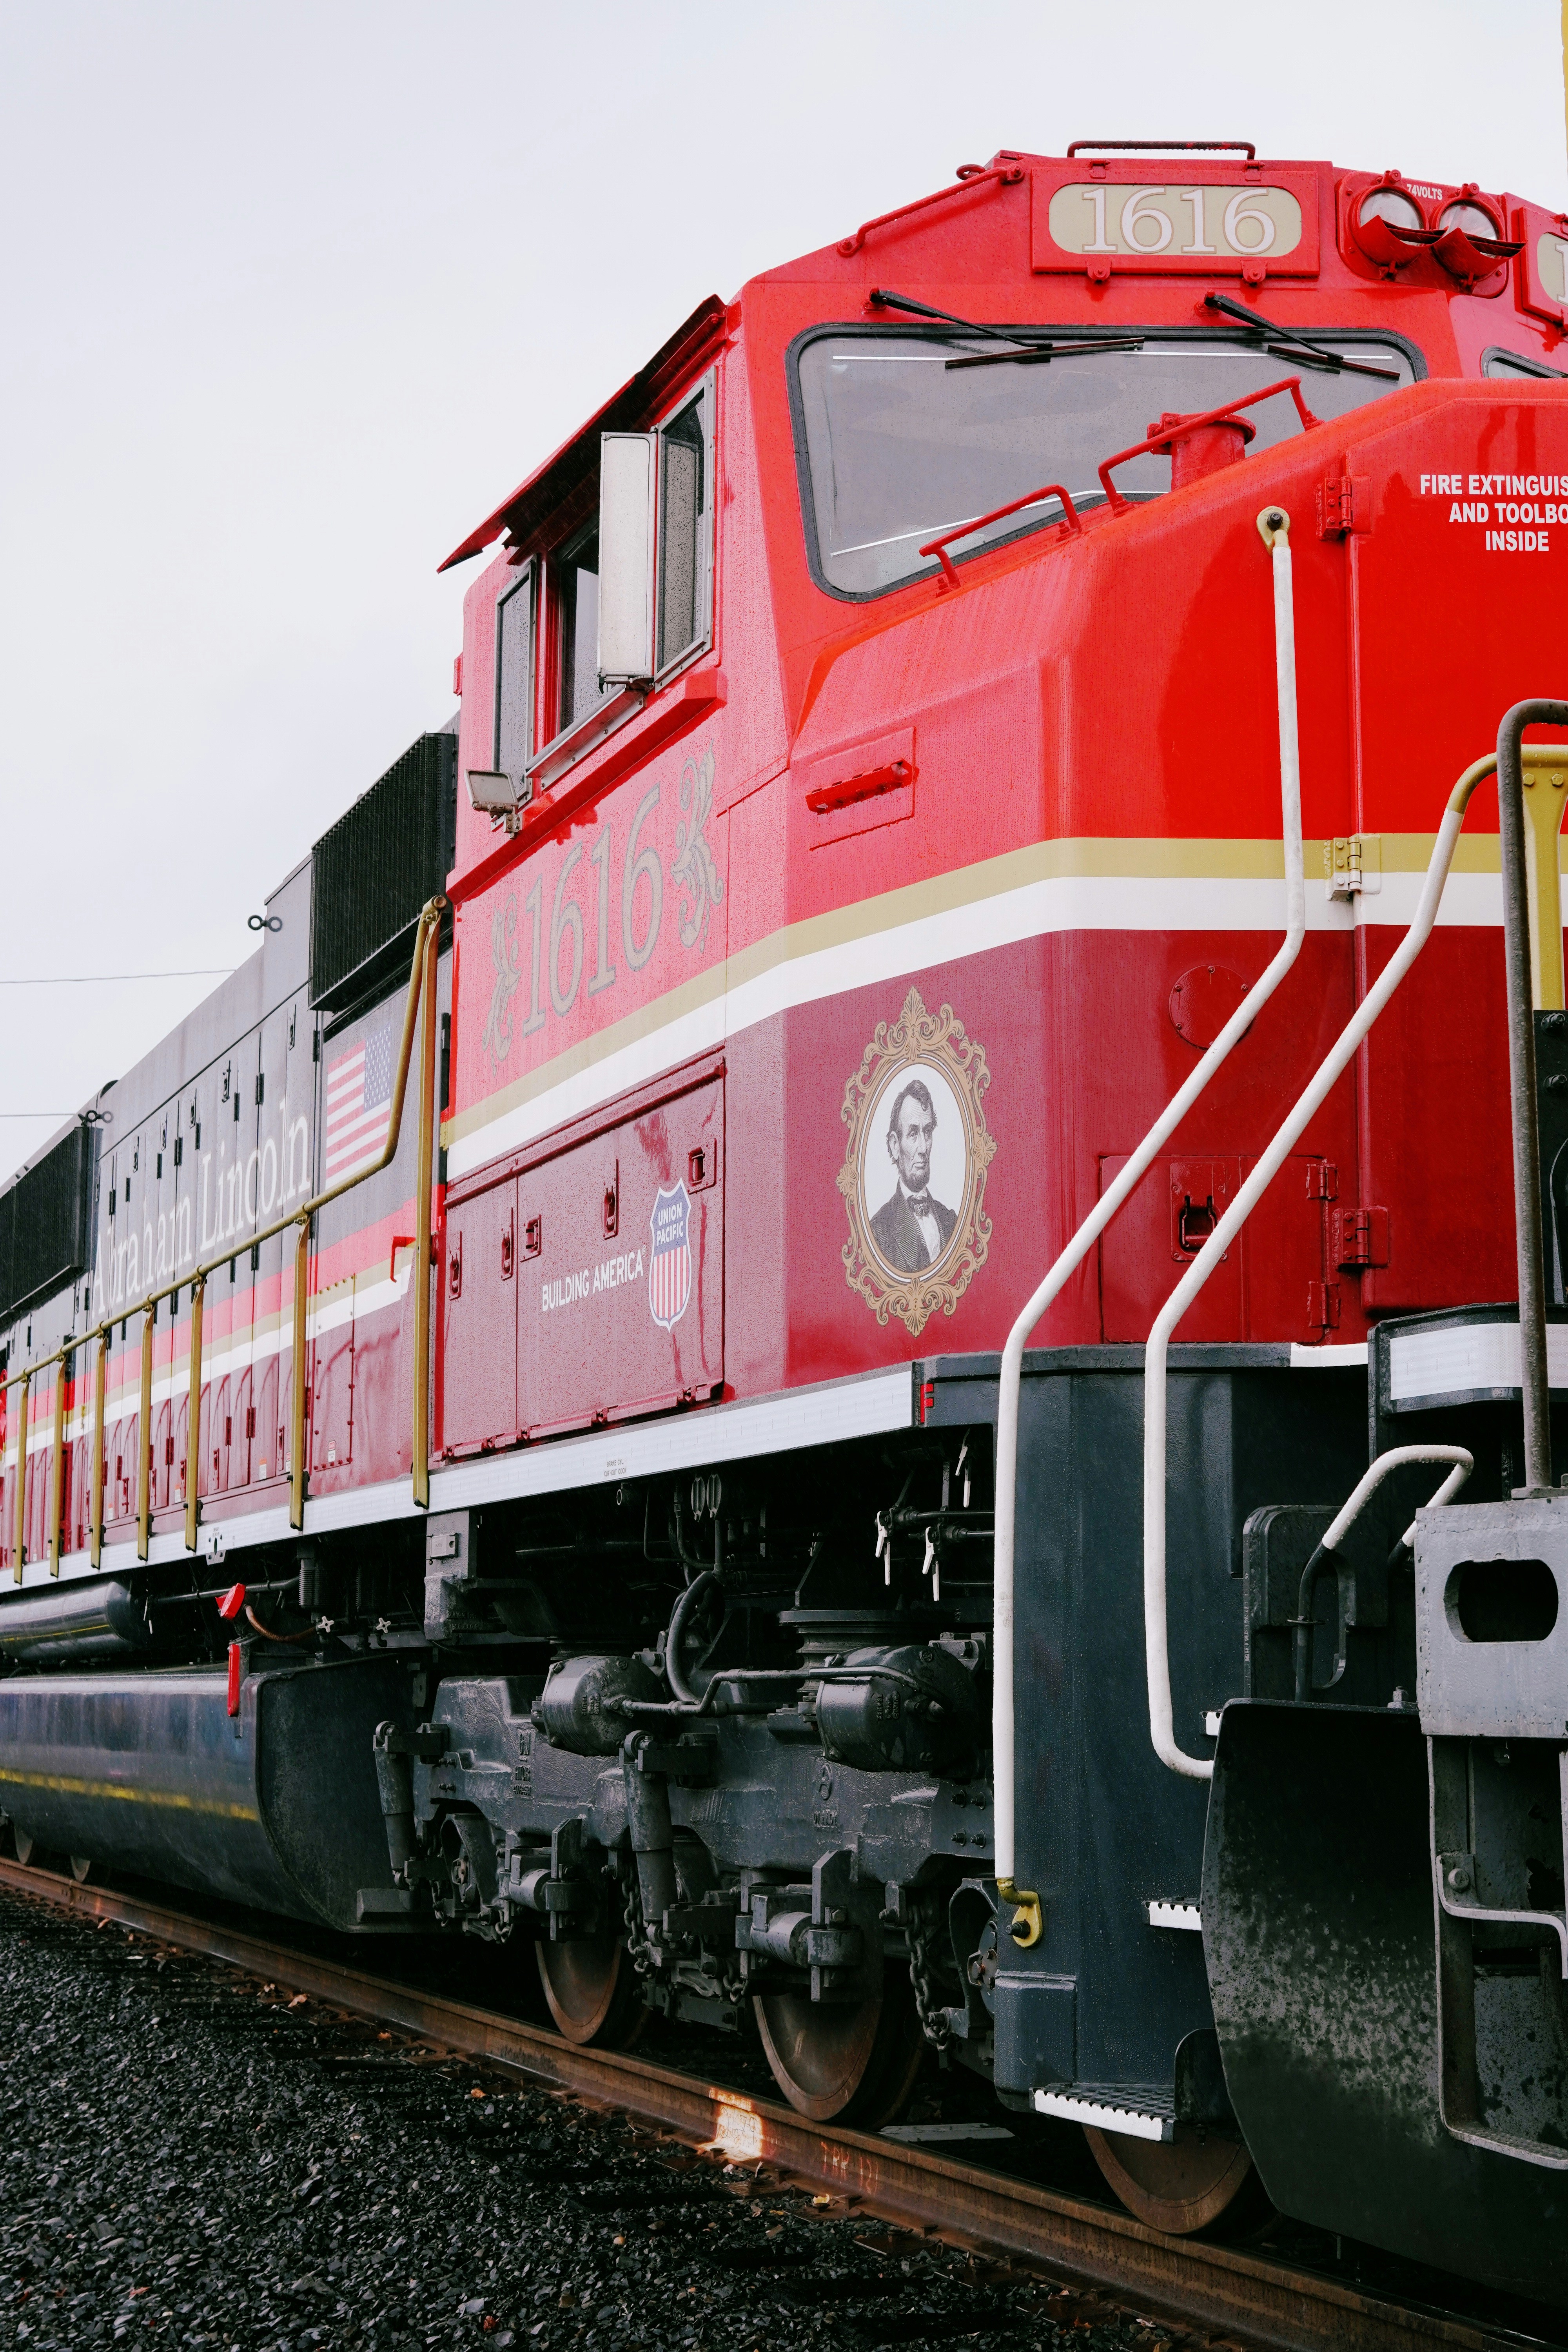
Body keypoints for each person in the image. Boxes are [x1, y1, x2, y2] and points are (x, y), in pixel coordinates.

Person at [869, 1078, 957, 1271]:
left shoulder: (951, 1221)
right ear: (895, 1146)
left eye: (927, 1132)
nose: (924, 1148)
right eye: (913, 1134)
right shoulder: (878, 1232)